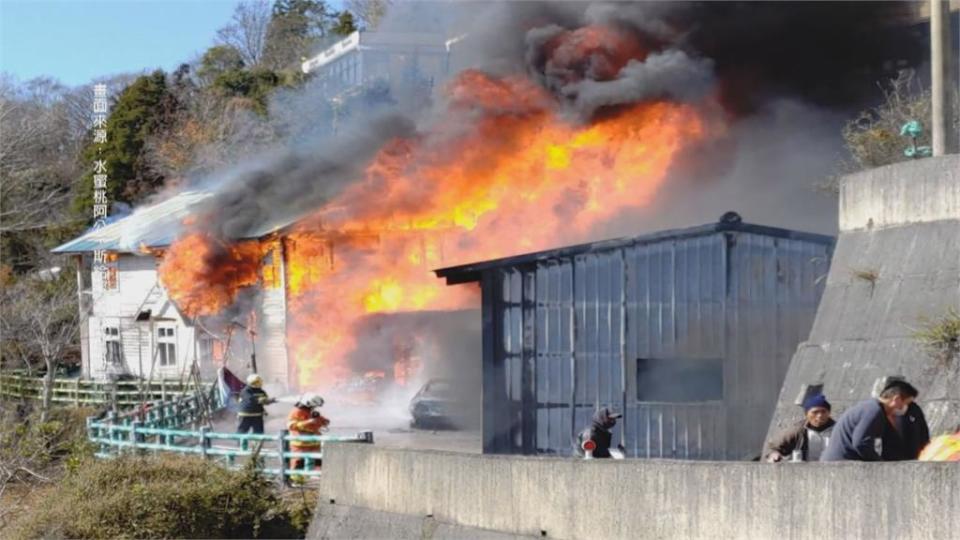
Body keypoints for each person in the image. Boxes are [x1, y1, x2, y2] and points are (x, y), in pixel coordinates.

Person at [820, 380, 919, 462]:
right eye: (906, 403)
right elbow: (861, 443)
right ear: (896, 399)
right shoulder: (873, 411)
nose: (904, 408)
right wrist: (880, 464)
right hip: (841, 463)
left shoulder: (873, 409)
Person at [765, 393, 835, 462]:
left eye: (823, 411)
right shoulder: (797, 430)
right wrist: (774, 454)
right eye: (815, 412)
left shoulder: (838, 430)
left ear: (829, 413)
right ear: (806, 414)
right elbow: (773, 447)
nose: (820, 415)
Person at [287, 393, 329, 474]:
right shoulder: (296, 412)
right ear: (309, 403)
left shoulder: (311, 412)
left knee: (318, 463)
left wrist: (322, 421)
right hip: (300, 444)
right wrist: (308, 422)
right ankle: (296, 480)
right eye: (314, 405)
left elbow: (323, 421)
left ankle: (317, 478)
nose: (315, 407)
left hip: (314, 443)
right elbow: (291, 425)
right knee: (298, 463)